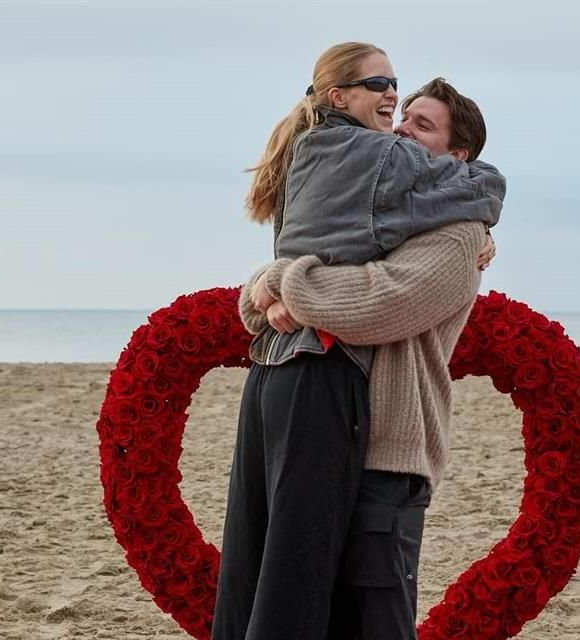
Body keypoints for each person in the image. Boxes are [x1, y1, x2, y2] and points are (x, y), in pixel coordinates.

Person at [211, 42, 504, 640]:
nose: (398, 132)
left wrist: (287, 284)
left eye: (420, 125)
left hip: (388, 450)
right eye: (399, 117)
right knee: (290, 588)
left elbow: (378, 302)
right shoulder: (376, 217)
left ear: (458, 156)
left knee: (373, 616)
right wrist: (273, 282)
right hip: (337, 429)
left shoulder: (458, 234)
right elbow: (263, 299)